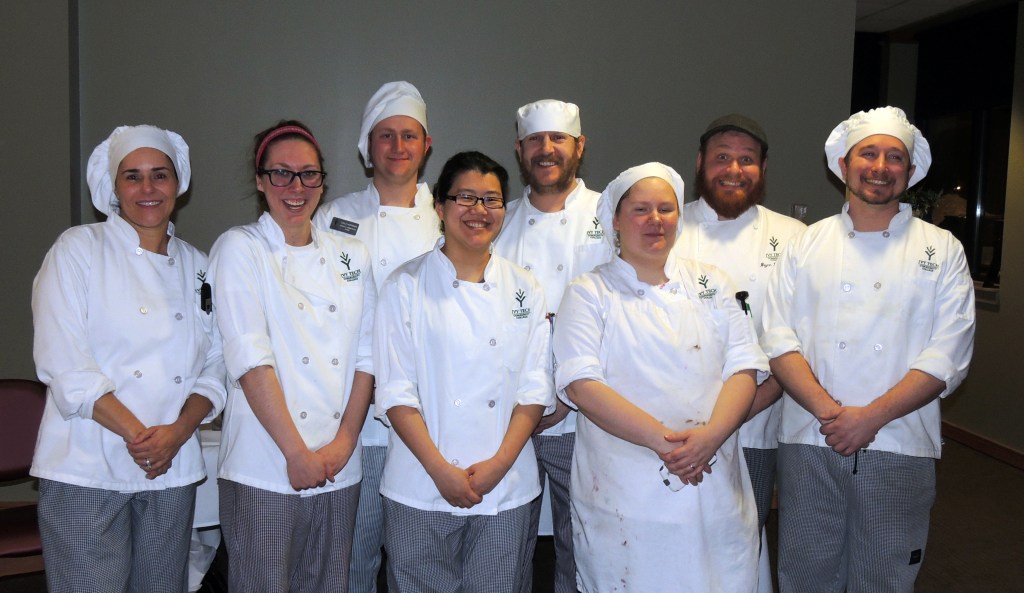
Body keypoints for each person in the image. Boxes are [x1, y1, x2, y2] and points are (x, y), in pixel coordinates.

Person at [761, 106, 976, 593]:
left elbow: (948, 353)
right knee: (805, 573)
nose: (881, 166)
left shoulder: (942, 250)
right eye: (869, 153)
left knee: (885, 576)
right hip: (812, 438)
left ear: (910, 169)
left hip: (899, 440)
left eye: (894, 156)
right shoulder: (804, 245)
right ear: (843, 164)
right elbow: (776, 338)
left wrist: (870, 417)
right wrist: (832, 413)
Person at [553, 162, 767, 592]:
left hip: (713, 480)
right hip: (626, 493)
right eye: (641, 210)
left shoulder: (712, 282)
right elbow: (581, 384)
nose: (655, 221)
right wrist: (667, 445)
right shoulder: (588, 292)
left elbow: (744, 366)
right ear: (615, 219)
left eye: (666, 209)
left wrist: (709, 438)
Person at [31, 124, 227, 592]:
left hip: (172, 467)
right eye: (132, 177)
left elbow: (217, 364)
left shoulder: (199, 265)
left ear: (178, 183)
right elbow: (65, 364)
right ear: (113, 188)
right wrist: (143, 439)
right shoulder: (77, 250)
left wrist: (177, 434)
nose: (148, 189)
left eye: (159, 174)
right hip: (87, 464)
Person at [374, 151, 554, 593]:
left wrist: (498, 465)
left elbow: (534, 389)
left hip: (505, 485)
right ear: (440, 206)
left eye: (491, 200)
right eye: (466, 198)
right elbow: (396, 392)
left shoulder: (524, 287)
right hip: (420, 482)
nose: (479, 211)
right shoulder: (404, 286)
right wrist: (441, 471)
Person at [209, 120, 376, 593]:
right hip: (266, 462)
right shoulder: (241, 248)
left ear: (323, 180)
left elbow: (367, 356)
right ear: (260, 181)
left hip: (338, 465)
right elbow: (249, 358)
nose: (296, 187)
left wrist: (344, 441)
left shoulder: (352, 254)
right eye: (281, 174)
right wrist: (295, 452)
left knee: (328, 585)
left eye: (309, 174)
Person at [313, 81, 438, 593]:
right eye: (385, 135)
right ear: (368, 146)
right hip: (355, 421)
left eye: (409, 135)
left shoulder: (447, 222)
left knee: (419, 560)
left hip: (427, 418)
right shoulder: (333, 217)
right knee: (352, 556)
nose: (398, 146)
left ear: (426, 146)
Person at [673, 114, 806, 565]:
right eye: (722, 158)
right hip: (674, 427)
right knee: (673, 542)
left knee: (739, 542)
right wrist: (697, 431)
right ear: (699, 164)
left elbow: (795, 342)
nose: (733, 169)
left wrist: (727, 422)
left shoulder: (793, 239)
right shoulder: (665, 229)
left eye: (746, 159)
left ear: (764, 168)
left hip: (754, 423)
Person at [492, 99, 612, 593]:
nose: (547, 150)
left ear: (579, 147)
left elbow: (623, 312)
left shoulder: (612, 213)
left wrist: (564, 395)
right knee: (505, 542)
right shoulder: (497, 221)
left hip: (586, 415)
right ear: (520, 150)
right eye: (535, 141)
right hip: (512, 414)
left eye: (558, 139)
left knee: (582, 543)